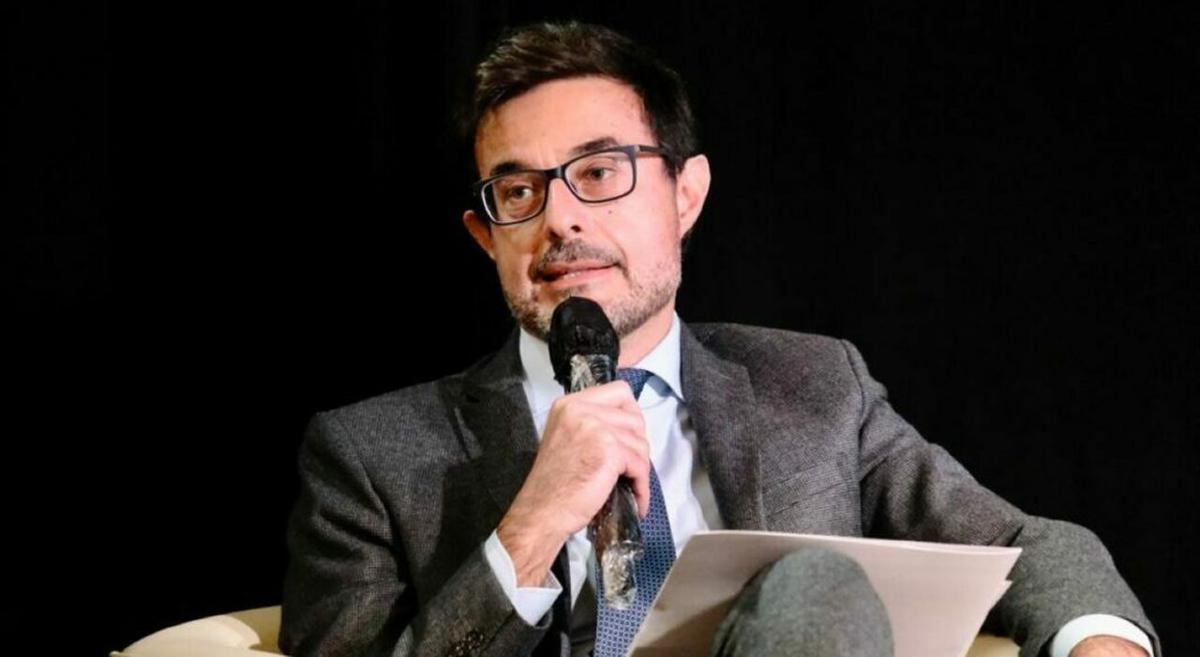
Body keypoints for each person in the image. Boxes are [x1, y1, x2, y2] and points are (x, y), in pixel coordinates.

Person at [280, 21, 1158, 657]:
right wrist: (530, 528)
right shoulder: (370, 456)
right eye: (519, 193)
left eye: (599, 172)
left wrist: (1100, 643)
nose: (561, 220)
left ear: (686, 195)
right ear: (487, 237)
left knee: (813, 586)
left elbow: (1023, 545)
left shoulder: (814, 386)